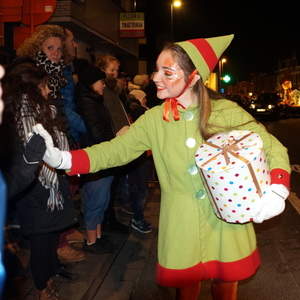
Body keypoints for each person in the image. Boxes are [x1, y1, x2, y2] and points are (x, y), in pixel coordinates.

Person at [35, 34, 290, 300]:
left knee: (225, 289)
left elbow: (271, 147)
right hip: (181, 223)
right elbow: (115, 150)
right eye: (157, 69)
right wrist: (66, 159)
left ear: (192, 77)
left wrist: (278, 188)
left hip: (226, 219)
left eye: (167, 71)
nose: (155, 77)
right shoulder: (155, 118)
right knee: (186, 292)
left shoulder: (226, 111)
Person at [1, 62, 79, 300]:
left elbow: (56, 142)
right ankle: (41, 288)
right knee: (41, 239)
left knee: (51, 233)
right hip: (35, 185)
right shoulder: (23, 115)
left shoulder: (39, 110)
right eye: (44, 86)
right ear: (31, 89)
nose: (47, 91)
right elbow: (34, 153)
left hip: (46, 182)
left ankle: (49, 272)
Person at [73, 58, 117, 254]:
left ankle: (98, 236)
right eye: (101, 81)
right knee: (95, 200)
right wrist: (112, 146)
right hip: (97, 159)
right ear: (91, 82)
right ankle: (91, 242)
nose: (104, 84)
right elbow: (96, 132)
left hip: (103, 157)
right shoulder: (87, 102)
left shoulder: (94, 99)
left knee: (102, 200)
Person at [95, 53, 130, 234]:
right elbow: (113, 116)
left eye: (116, 70)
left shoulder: (111, 89)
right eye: (112, 70)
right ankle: (108, 220)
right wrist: (122, 135)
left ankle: (109, 218)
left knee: (113, 183)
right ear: (102, 69)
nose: (115, 73)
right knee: (109, 184)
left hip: (118, 139)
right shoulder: (106, 90)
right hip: (115, 140)